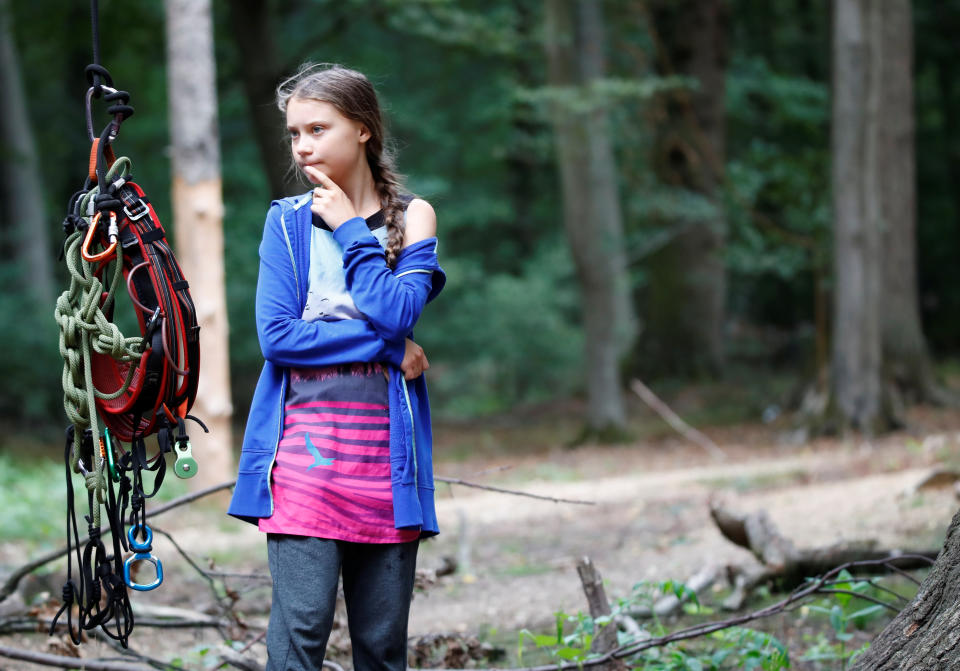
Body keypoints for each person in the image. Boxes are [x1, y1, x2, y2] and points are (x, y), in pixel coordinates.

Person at [227, 63, 445, 671]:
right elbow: (278, 338)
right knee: (298, 639)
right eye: (295, 134)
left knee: (380, 647)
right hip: (302, 468)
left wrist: (352, 227)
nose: (303, 147)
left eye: (318, 129)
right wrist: (382, 348)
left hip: (387, 471)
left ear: (364, 130)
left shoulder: (415, 217)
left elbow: (397, 311)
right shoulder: (287, 223)